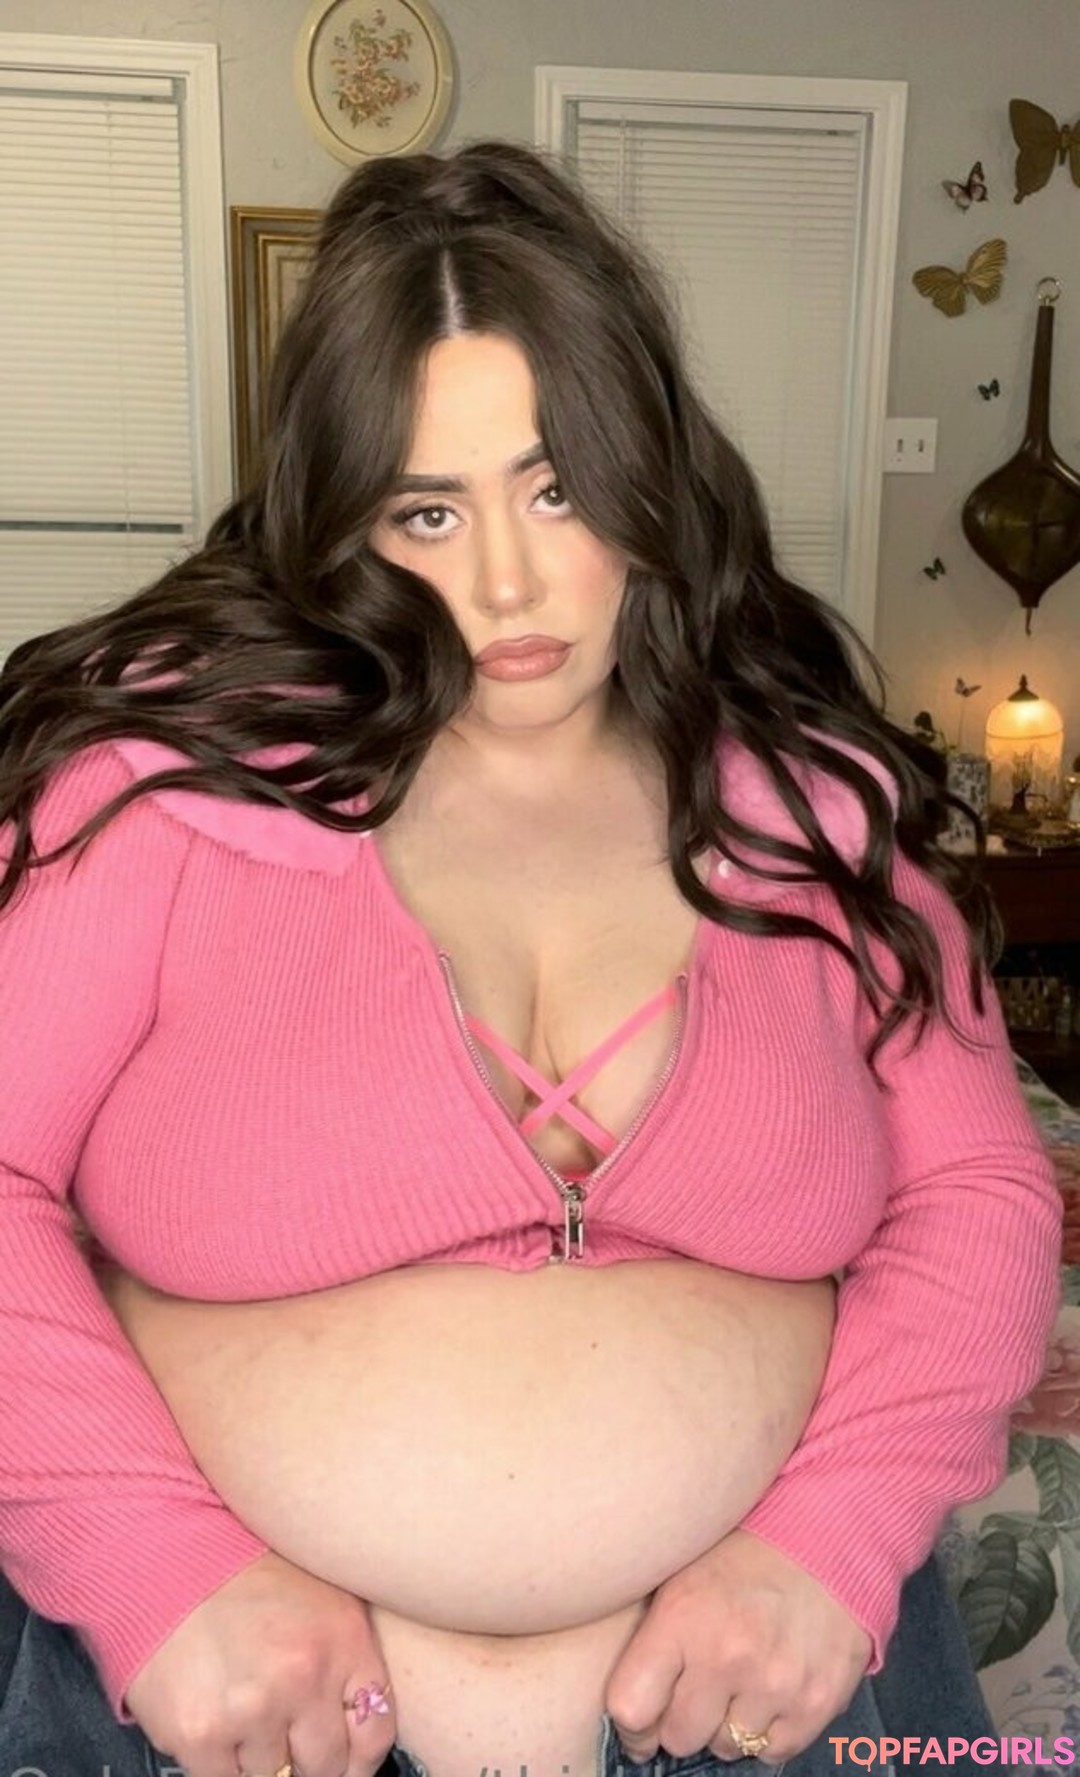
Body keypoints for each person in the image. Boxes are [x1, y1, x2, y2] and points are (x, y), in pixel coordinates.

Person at [0, 137, 1062, 1777]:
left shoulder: (816, 813)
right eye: (428, 509)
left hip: (787, 1698)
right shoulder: (164, 791)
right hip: (214, 1719)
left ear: (649, 471)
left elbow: (983, 1192)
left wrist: (832, 1541)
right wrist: (152, 1567)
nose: (504, 581)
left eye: (556, 487)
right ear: (346, 524)